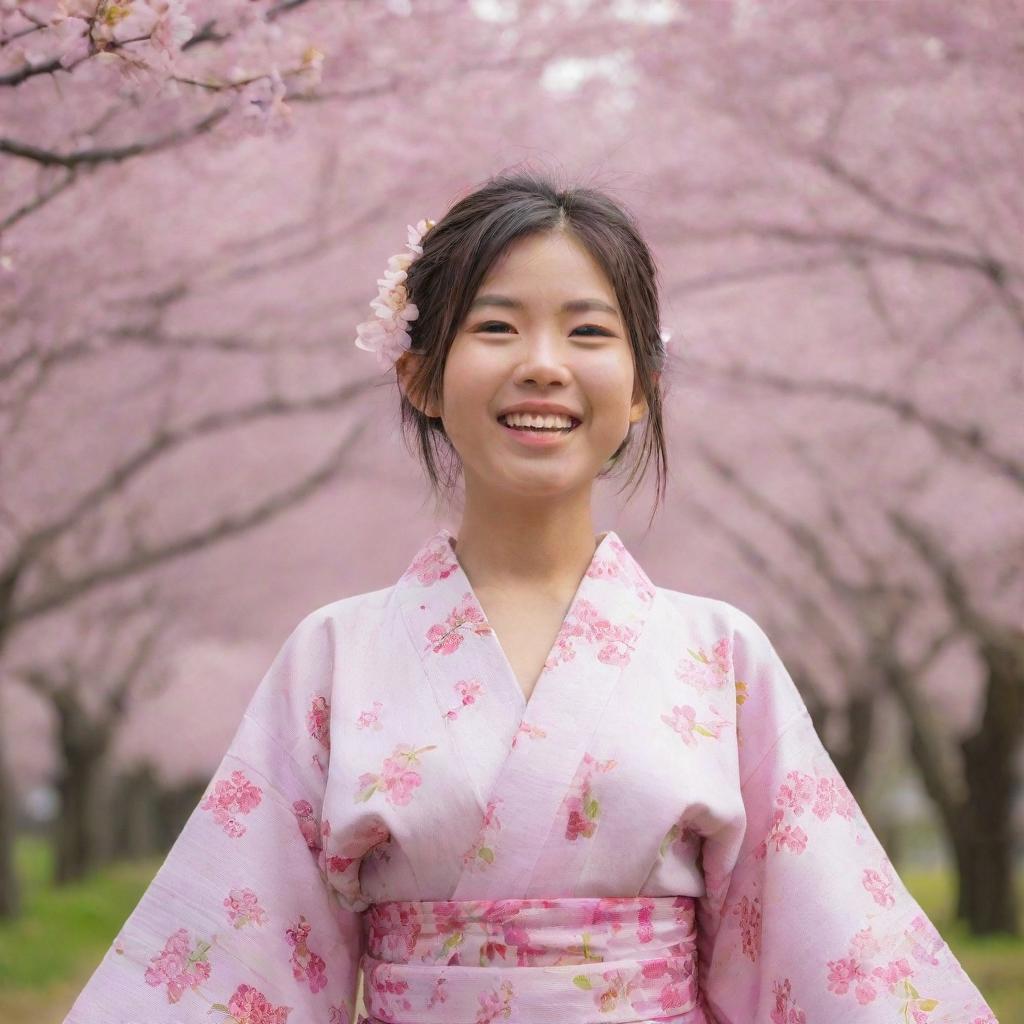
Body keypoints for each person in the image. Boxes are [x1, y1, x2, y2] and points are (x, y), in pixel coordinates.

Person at [64, 169, 997, 1024]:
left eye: (589, 332)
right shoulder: (336, 653)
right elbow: (241, 956)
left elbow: (823, 942)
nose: (544, 363)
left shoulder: (719, 653)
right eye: (497, 326)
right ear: (418, 371)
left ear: (641, 386)